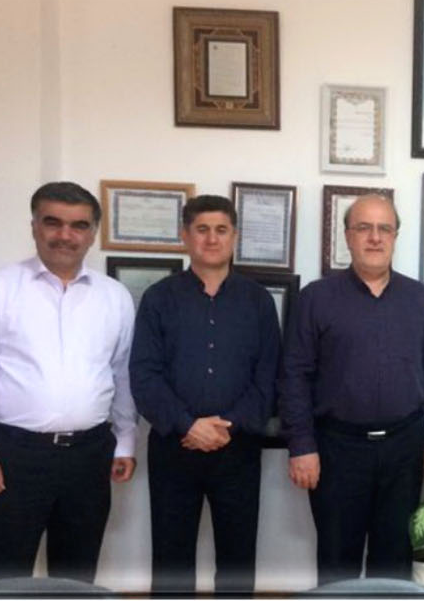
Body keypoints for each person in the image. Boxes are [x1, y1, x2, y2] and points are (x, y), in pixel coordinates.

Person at [0, 181, 137, 583]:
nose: (65, 235)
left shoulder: (114, 296)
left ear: (93, 233)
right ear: (34, 226)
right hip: (15, 456)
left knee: (76, 573)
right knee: (4, 574)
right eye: (53, 222)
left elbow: (122, 374)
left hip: (90, 455)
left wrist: (125, 441)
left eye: (79, 225)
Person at [278, 194, 424, 585]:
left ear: (396, 236)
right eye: (364, 228)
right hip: (337, 449)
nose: (375, 237)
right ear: (347, 236)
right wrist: (301, 446)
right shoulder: (316, 298)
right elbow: (294, 375)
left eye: (385, 228)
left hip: (404, 449)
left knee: (394, 561)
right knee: (337, 561)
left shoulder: (419, 298)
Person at [129, 195, 281, 593]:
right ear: (185, 236)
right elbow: (144, 375)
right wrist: (188, 425)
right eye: (202, 229)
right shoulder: (159, 298)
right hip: (174, 447)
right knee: (171, 559)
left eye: (221, 230)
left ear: (235, 236)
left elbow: (268, 377)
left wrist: (227, 426)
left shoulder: (258, 301)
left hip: (238, 449)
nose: (212, 239)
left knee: (237, 560)